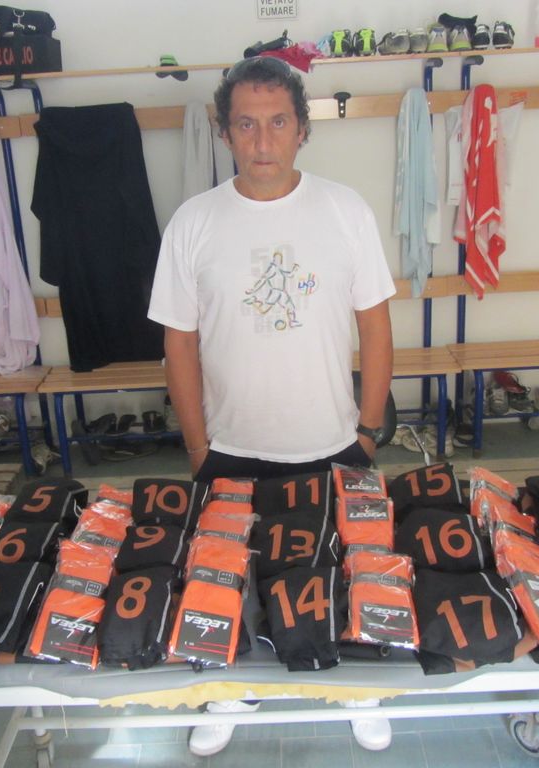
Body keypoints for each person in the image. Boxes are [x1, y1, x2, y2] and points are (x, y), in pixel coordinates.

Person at [147, 56, 396, 757]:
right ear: (225, 132)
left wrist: (368, 432)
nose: (263, 141)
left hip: (333, 443)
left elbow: (377, 329)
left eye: (278, 122)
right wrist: (198, 447)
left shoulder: (345, 210)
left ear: (302, 130)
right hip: (230, 449)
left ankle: (357, 689)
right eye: (247, 125)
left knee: (342, 574)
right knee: (230, 580)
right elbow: (179, 343)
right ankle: (229, 690)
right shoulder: (194, 222)